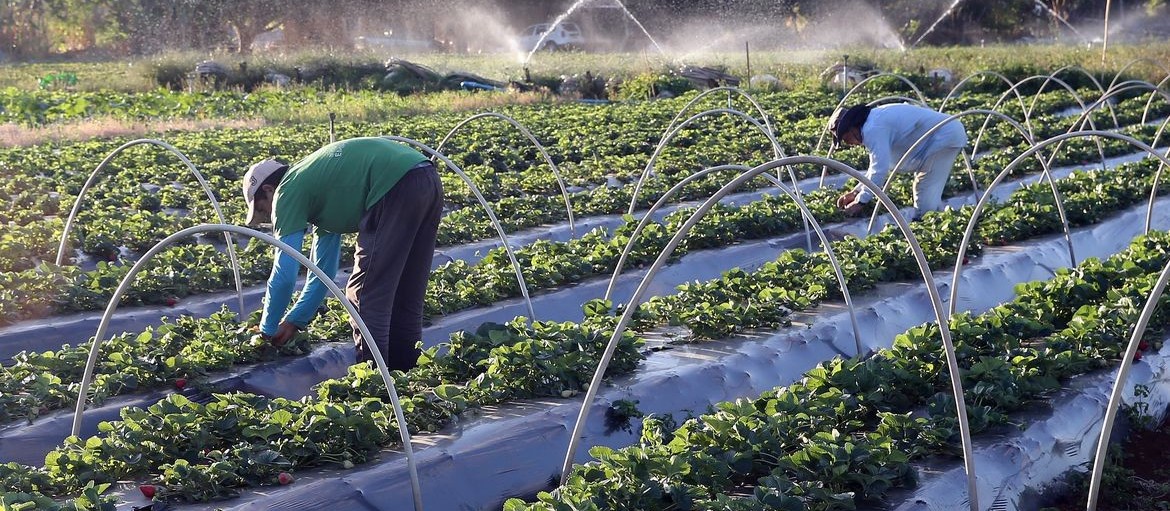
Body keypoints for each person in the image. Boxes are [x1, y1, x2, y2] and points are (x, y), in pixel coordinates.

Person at [242, 137, 443, 371]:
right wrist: (295, 320)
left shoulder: (287, 191)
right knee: (405, 291)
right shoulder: (317, 187)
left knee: (364, 294)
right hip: (425, 176)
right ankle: (405, 376)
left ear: (268, 190)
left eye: (262, 209)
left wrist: (266, 330)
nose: (268, 216)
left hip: (393, 184)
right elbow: (322, 273)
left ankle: (376, 383)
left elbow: (285, 273)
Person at [828, 103, 968, 218]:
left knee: (924, 187)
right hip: (944, 134)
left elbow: (880, 169)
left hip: (945, 136)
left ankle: (928, 227)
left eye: (846, 138)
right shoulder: (873, 121)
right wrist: (856, 192)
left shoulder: (873, 129)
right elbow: (875, 167)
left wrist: (861, 202)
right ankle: (938, 220)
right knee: (929, 188)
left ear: (852, 128)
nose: (850, 143)